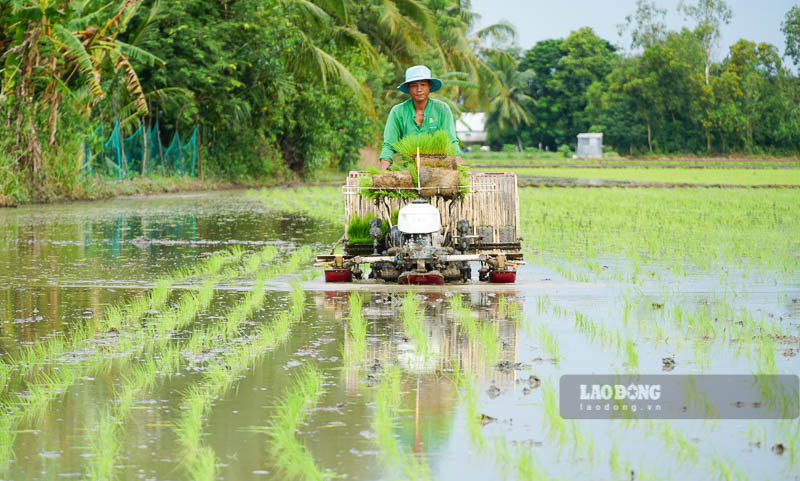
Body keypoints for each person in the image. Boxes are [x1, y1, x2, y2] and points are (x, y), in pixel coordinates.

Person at [379, 65, 462, 170]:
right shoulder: (398, 112)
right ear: (408, 88)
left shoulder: (442, 109)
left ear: (429, 86)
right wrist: (382, 172)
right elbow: (389, 145)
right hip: (409, 172)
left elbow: (451, 142)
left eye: (423, 85)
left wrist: (459, 169)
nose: (419, 89)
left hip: (438, 171)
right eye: (414, 85)